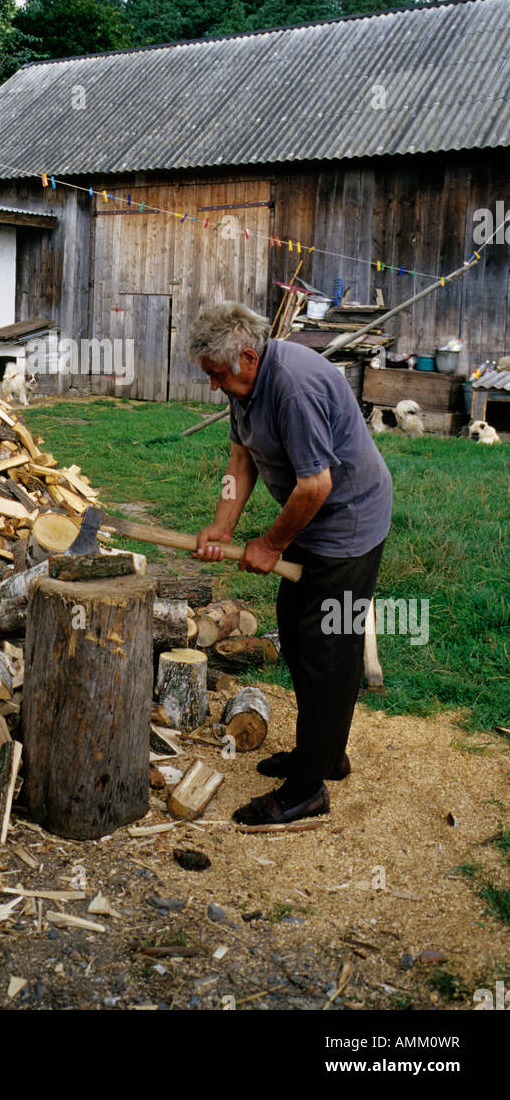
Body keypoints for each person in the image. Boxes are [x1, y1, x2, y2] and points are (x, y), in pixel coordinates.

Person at [190, 302, 392, 826]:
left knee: (326, 651)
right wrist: (224, 526)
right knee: (302, 640)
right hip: (311, 520)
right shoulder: (246, 388)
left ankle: (307, 789)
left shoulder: (294, 387)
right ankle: (324, 755)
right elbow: (240, 458)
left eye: (216, 375)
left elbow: (315, 485)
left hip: (348, 526)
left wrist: (271, 545)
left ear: (248, 358)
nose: (214, 386)